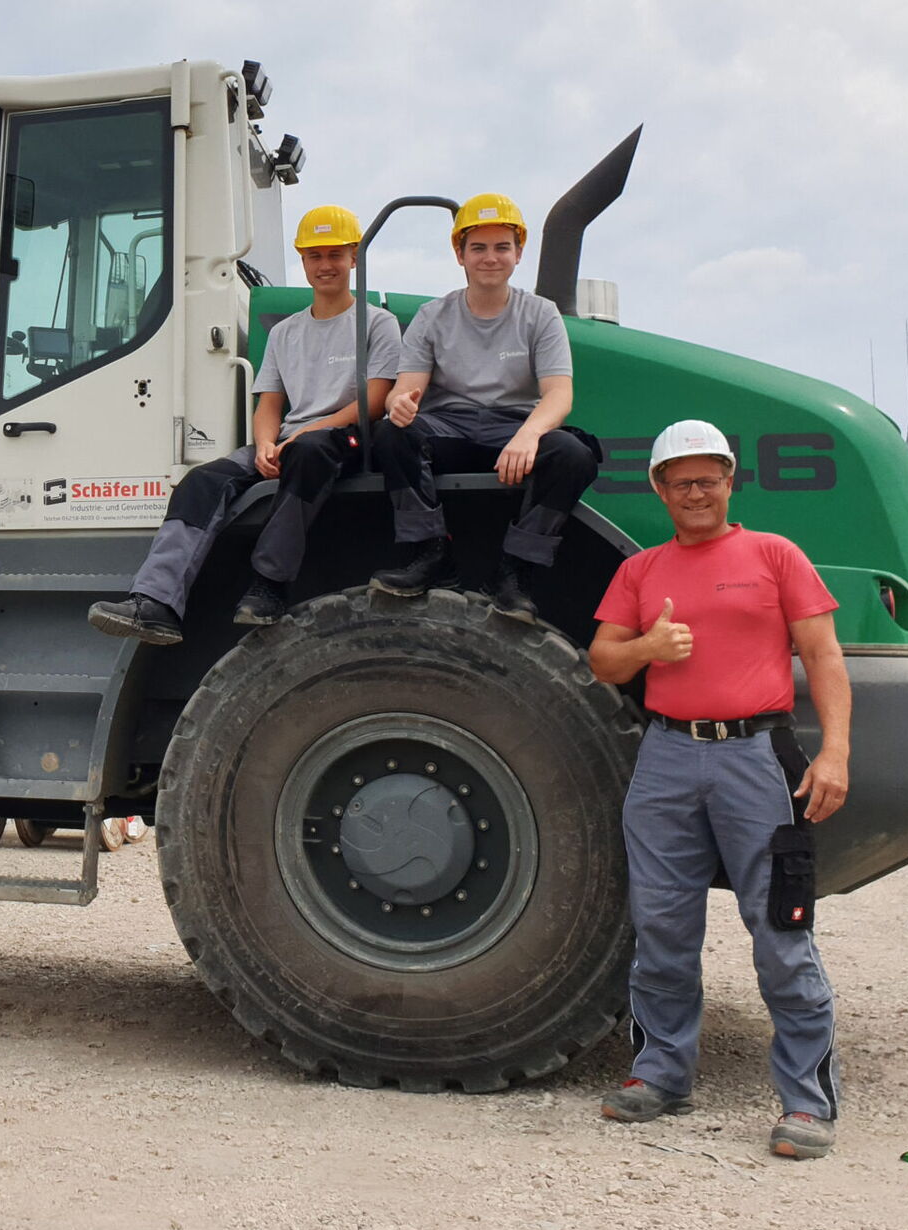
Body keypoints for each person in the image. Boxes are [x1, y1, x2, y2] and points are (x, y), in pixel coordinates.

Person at [587, 419, 851, 1161]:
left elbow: (823, 655)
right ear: (660, 490)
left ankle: (807, 1102)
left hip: (756, 757)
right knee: (662, 927)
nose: (696, 492)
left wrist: (834, 752)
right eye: (681, 481)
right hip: (666, 756)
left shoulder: (774, 555)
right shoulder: (641, 572)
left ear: (730, 481)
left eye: (708, 479)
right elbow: (603, 659)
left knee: (780, 928)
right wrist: (648, 648)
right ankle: (661, 1075)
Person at [88, 205, 402, 641]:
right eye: (315, 255)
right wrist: (266, 444)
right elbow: (269, 404)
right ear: (302, 260)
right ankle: (156, 602)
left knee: (308, 452)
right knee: (201, 481)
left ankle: (269, 585)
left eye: (335, 254)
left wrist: (306, 432)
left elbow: (376, 401)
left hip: (345, 440)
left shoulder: (378, 323)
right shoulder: (284, 333)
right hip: (290, 441)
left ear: (354, 257)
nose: (325, 265)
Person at [369, 192, 600, 617]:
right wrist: (399, 404)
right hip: (449, 427)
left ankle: (514, 571)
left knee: (574, 455)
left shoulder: (541, 314)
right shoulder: (432, 316)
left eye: (501, 247)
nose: (490, 258)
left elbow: (558, 394)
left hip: (514, 427)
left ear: (518, 253)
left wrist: (529, 435)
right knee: (391, 434)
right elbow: (404, 390)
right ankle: (430, 553)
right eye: (478, 248)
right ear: (460, 255)